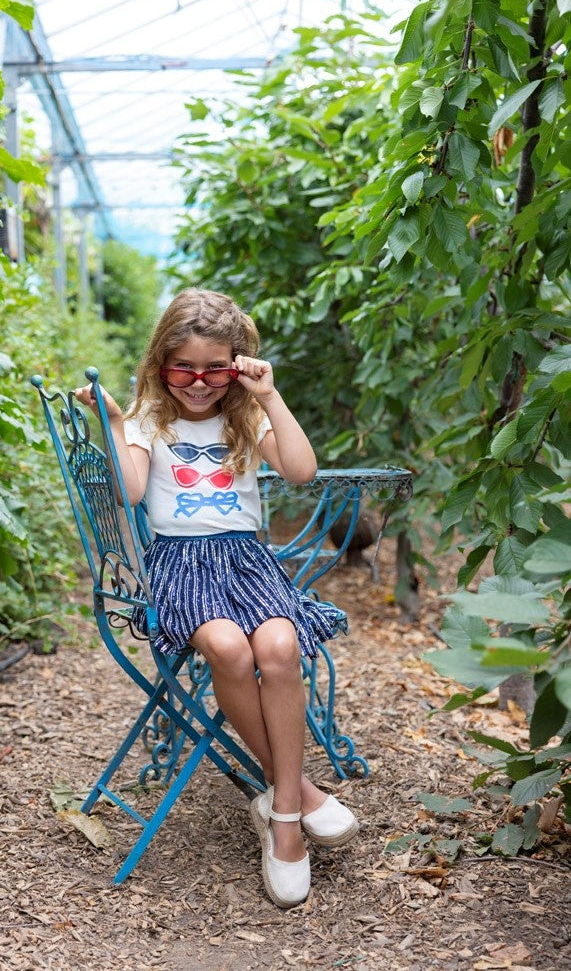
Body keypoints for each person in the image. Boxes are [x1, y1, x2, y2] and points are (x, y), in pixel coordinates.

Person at [74, 288, 358, 908]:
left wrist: (269, 396)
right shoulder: (148, 419)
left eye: (215, 370)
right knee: (229, 649)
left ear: (237, 366)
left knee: (279, 645)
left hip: (247, 562)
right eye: (184, 369)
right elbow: (129, 491)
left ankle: (281, 810)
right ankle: (297, 801)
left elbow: (302, 472)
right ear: (160, 364)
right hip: (180, 565)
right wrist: (115, 424)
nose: (199, 383)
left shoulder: (245, 416)